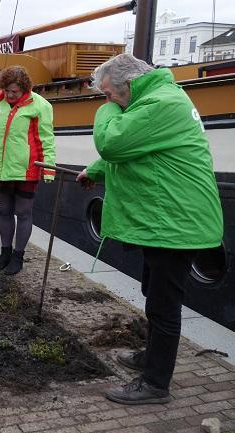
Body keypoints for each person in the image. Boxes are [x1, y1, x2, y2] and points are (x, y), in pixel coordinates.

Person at [76, 53, 224, 405]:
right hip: (166, 219)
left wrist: (107, 110)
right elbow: (139, 148)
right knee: (153, 294)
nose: (108, 100)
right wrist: (95, 171)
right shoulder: (159, 100)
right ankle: (151, 357)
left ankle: (156, 383)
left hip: (175, 223)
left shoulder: (161, 102)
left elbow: (114, 142)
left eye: (110, 93)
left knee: (164, 304)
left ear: (129, 85)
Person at [0, 65, 56, 275]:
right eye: (6, 91)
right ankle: (5, 253)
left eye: (14, 92)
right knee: (4, 211)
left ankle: (18, 256)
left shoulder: (40, 105)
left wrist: (49, 168)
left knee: (23, 213)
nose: (10, 95)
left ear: (24, 89)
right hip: (1, 168)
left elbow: (46, 139)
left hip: (26, 170)